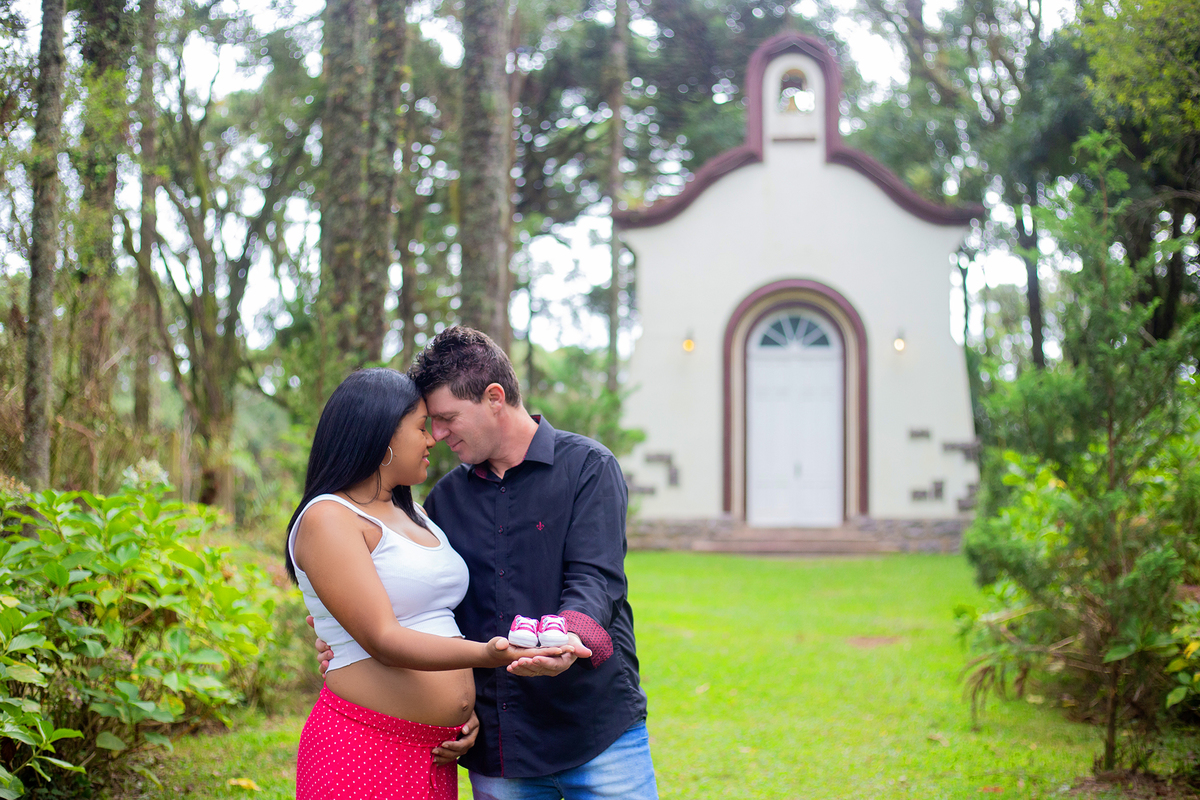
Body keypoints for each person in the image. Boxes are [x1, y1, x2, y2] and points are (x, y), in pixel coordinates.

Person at [318, 327, 658, 800]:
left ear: (494, 397)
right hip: (501, 748)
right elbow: (416, 598)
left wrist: (569, 635)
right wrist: (337, 637)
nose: (437, 435)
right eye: (429, 423)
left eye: (447, 418)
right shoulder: (443, 502)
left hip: (598, 733)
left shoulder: (588, 467)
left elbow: (596, 579)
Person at [286, 368, 564, 800]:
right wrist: (489, 654)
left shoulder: (416, 513)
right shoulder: (329, 518)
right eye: (419, 427)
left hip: (433, 753)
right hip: (364, 746)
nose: (432, 438)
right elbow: (382, 637)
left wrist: (461, 712)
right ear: (380, 437)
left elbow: (430, 616)